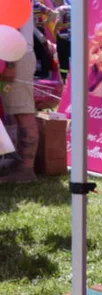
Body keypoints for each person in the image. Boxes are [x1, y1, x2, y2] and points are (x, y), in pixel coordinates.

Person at [0, 17, 39, 184]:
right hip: (11, 55)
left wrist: (11, 64)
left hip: (15, 56)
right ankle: (15, 164)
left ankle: (25, 169)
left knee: (23, 112)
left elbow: (12, 24)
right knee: (13, 111)